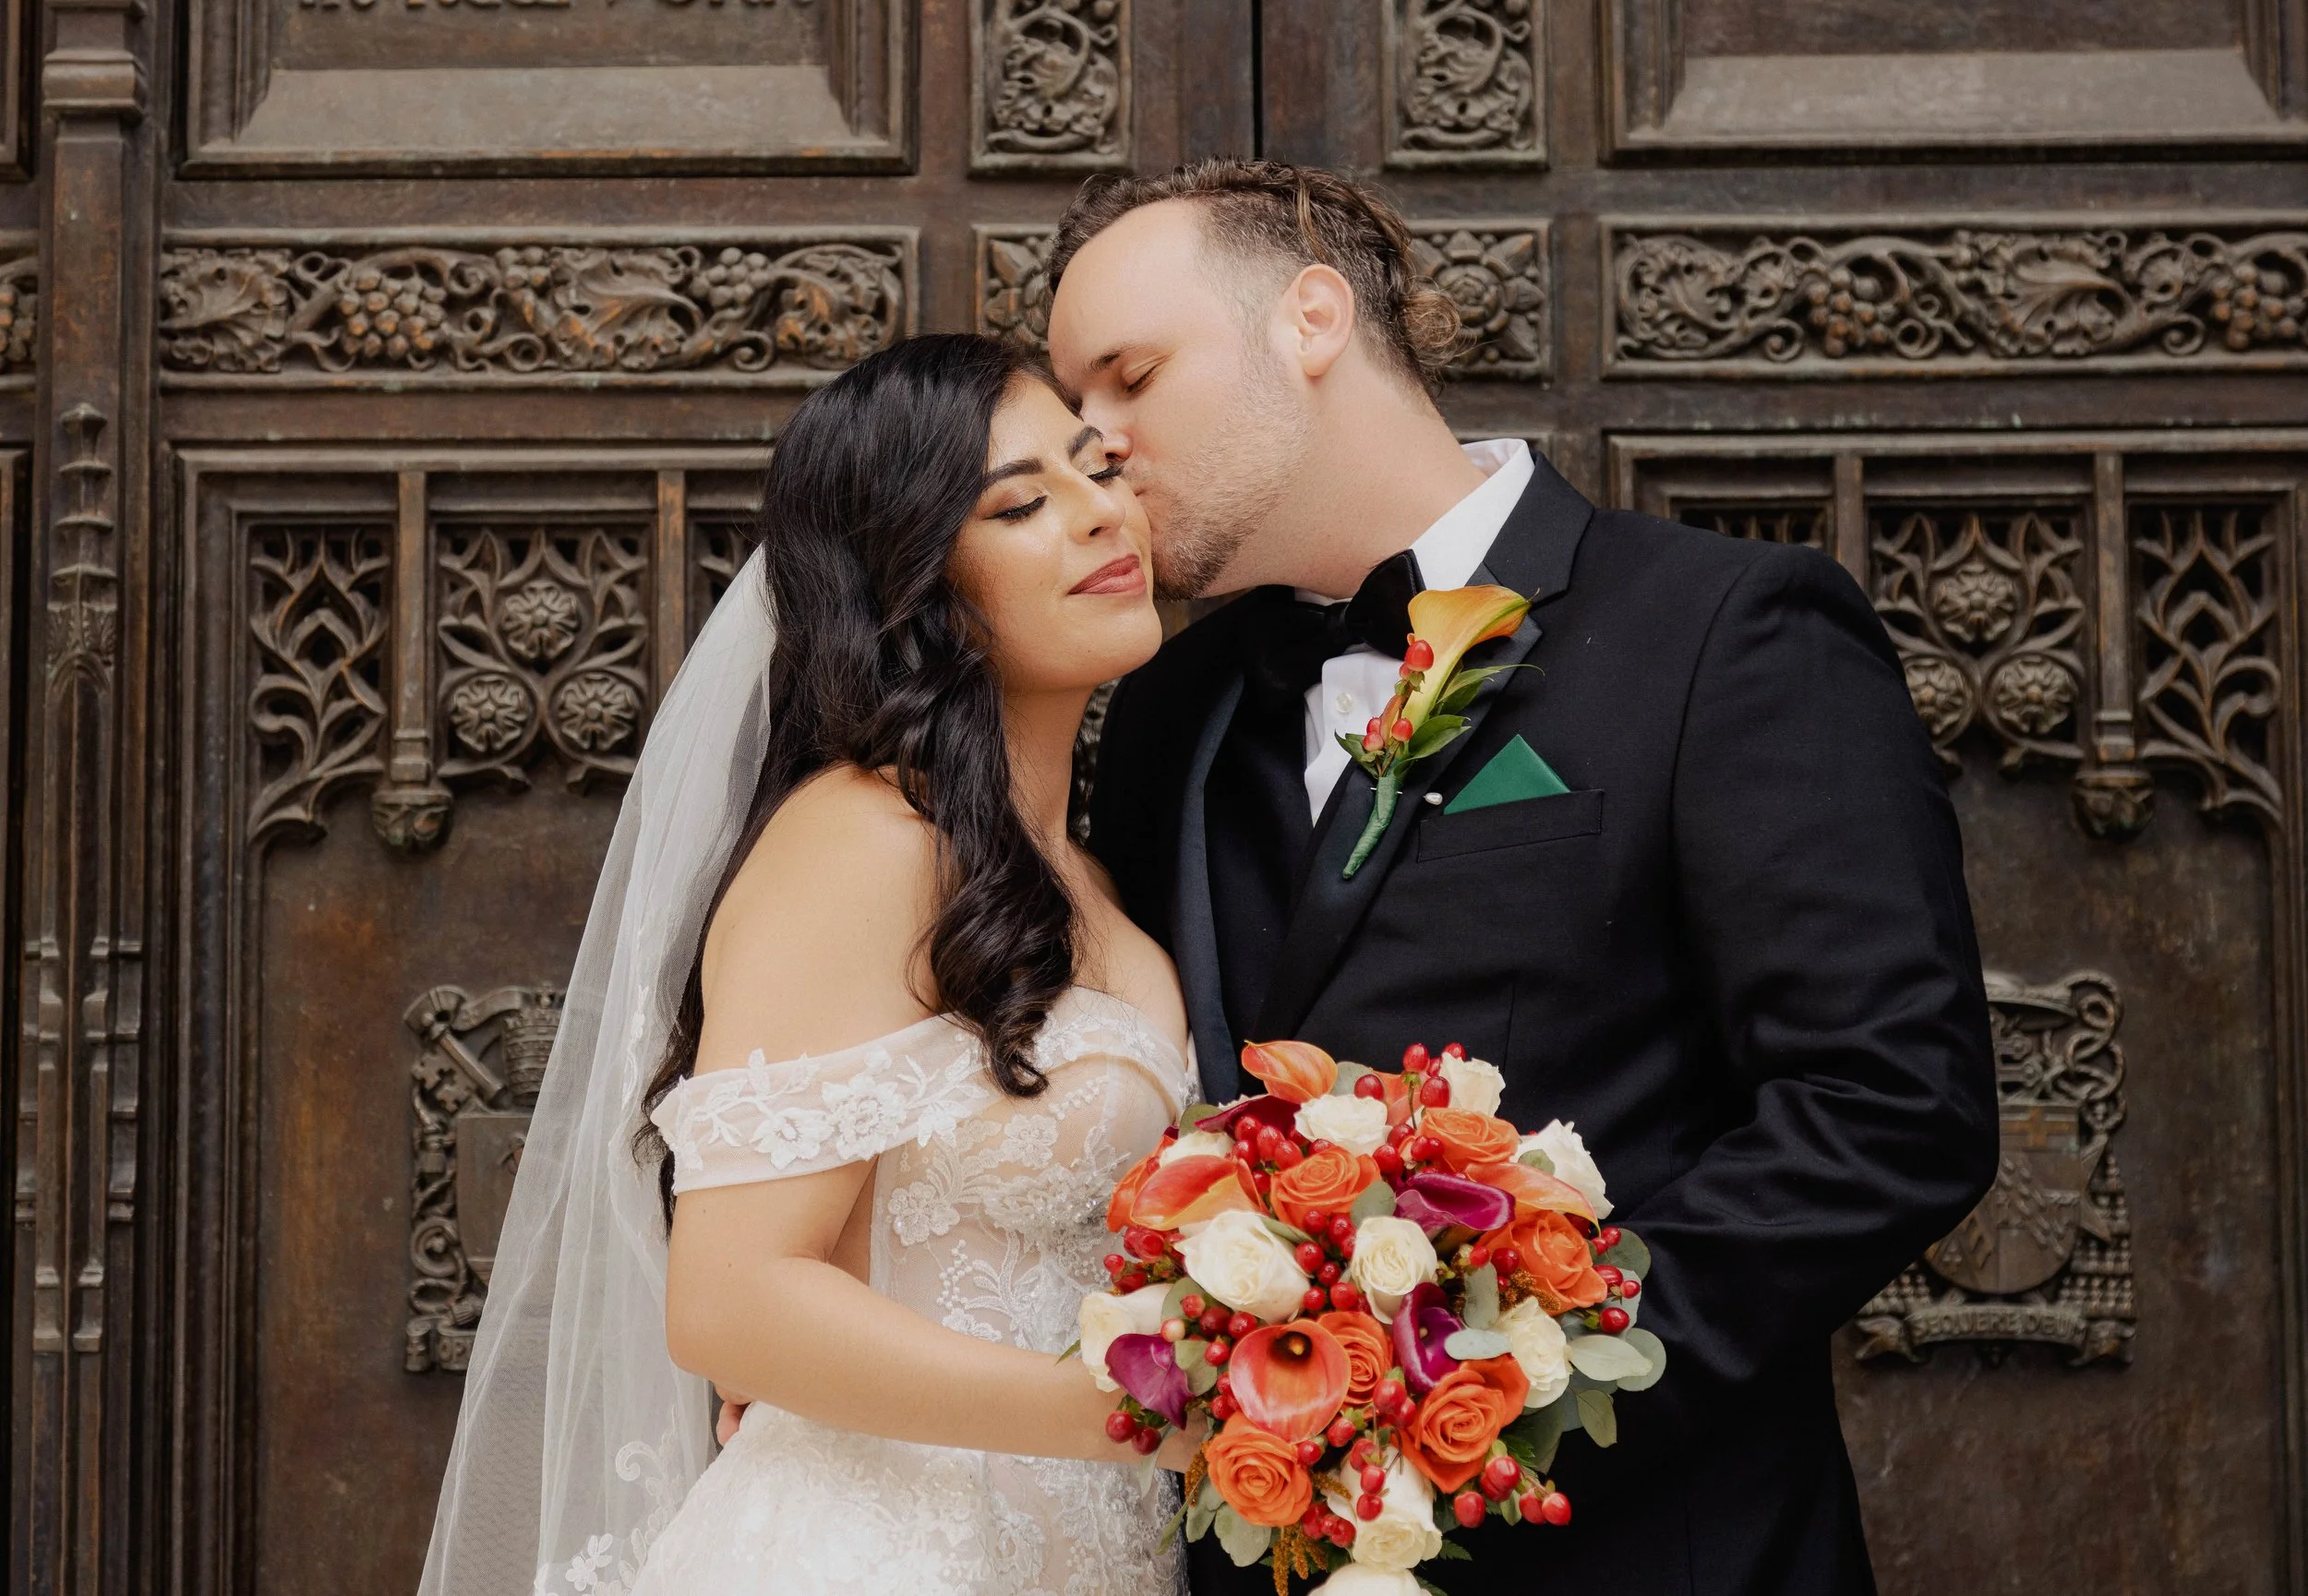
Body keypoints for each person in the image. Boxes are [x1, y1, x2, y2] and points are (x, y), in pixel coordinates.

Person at [1049, 160, 2000, 1596]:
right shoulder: (1165, 709)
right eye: (1074, 413)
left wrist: (1497, 1388)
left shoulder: (1723, 634)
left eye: (1129, 378)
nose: (1097, 447)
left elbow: (1890, 1105)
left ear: (1311, 321)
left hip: (1653, 1548)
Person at [419, 334, 1196, 1596]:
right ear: (923, 588)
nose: (1102, 513)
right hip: (875, 1554)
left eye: (1097, 468)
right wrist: (1141, 1420)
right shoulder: (863, 843)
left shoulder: (1092, 878)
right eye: (1023, 503)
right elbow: (731, 1304)